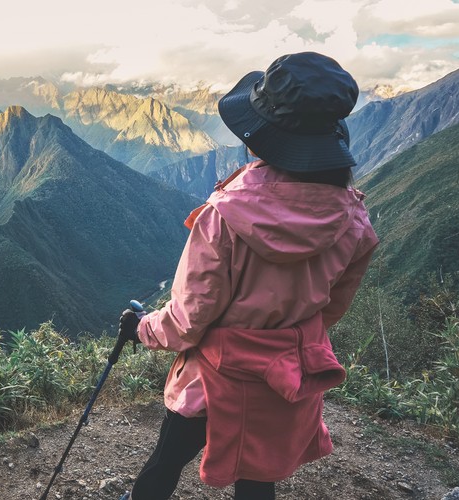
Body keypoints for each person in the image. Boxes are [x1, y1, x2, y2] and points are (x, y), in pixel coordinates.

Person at [117, 52, 379, 500]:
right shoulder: (354, 223)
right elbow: (331, 307)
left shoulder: (223, 217)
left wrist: (142, 328)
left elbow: (188, 320)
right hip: (285, 376)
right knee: (258, 480)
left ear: (261, 139)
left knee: (164, 464)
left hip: (214, 379)